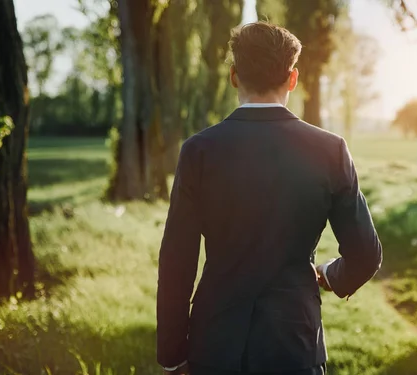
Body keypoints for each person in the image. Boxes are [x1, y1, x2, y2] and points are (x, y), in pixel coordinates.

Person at [157, 22, 383, 375]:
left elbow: (176, 261)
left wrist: (172, 355)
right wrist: (329, 274)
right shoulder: (329, 150)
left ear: (233, 76)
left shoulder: (199, 151)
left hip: (215, 346)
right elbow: (365, 253)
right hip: (294, 345)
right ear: (292, 79)